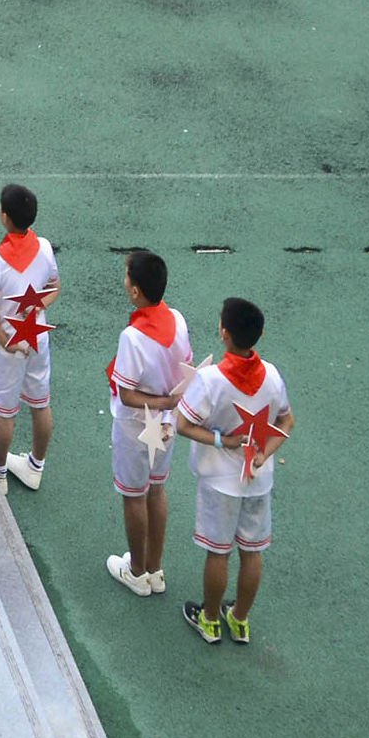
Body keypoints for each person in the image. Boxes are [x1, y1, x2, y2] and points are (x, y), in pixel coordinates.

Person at [174, 296, 293, 645]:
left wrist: (219, 440)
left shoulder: (211, 380)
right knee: (251, 551)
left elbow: (183, 425)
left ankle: (210, 619)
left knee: (218, 552)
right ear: (261, 334)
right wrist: (263, 454)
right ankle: (239, 618)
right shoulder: (272, 375)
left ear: (223, 333)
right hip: (257, 481)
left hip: (220, 483)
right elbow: (287, 419)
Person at [106, 250, 193, 598]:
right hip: (165, 427)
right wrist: (170, 405)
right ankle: (155, 568)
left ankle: (137, 572)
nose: (125, 279)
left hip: (135, 427)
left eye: (127, 275)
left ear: (137, 291)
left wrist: (164, 402)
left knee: (133, 496)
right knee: (156, 489)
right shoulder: (177, 318)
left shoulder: (133, 337)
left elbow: (127, 394)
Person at [0, 183, 59, 493]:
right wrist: (34, 308)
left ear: (5, 217)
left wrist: (4, 340)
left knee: (5, 411)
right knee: (40, 402)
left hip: (7, 344)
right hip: (36, 335)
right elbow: (54, 288)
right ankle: (36, 466)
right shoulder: (45, 248)